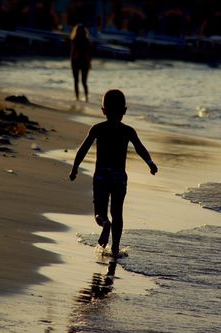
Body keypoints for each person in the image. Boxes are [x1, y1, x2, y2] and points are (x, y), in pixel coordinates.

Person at [69, 89, 158, 257]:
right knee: (118, 213)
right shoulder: (128, 130)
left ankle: (104, 225)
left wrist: (75, 168)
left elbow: (83, 149)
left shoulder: (97, 129)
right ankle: (115, 248)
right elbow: (140, 148)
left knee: (99, 212)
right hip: (119, 177)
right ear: (124, 111)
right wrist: (150, 163)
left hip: (101, 175)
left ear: (103, 110)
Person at [70, 24, 91, 102]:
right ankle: (86, 97)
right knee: (84, 82)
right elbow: (89, 54)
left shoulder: (74, 40)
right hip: (84, 62)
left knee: (76, 81)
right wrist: (89, 63)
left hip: (76, 62)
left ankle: (77, 97)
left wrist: (71, 62)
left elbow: (72, 53)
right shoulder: (87, 41)